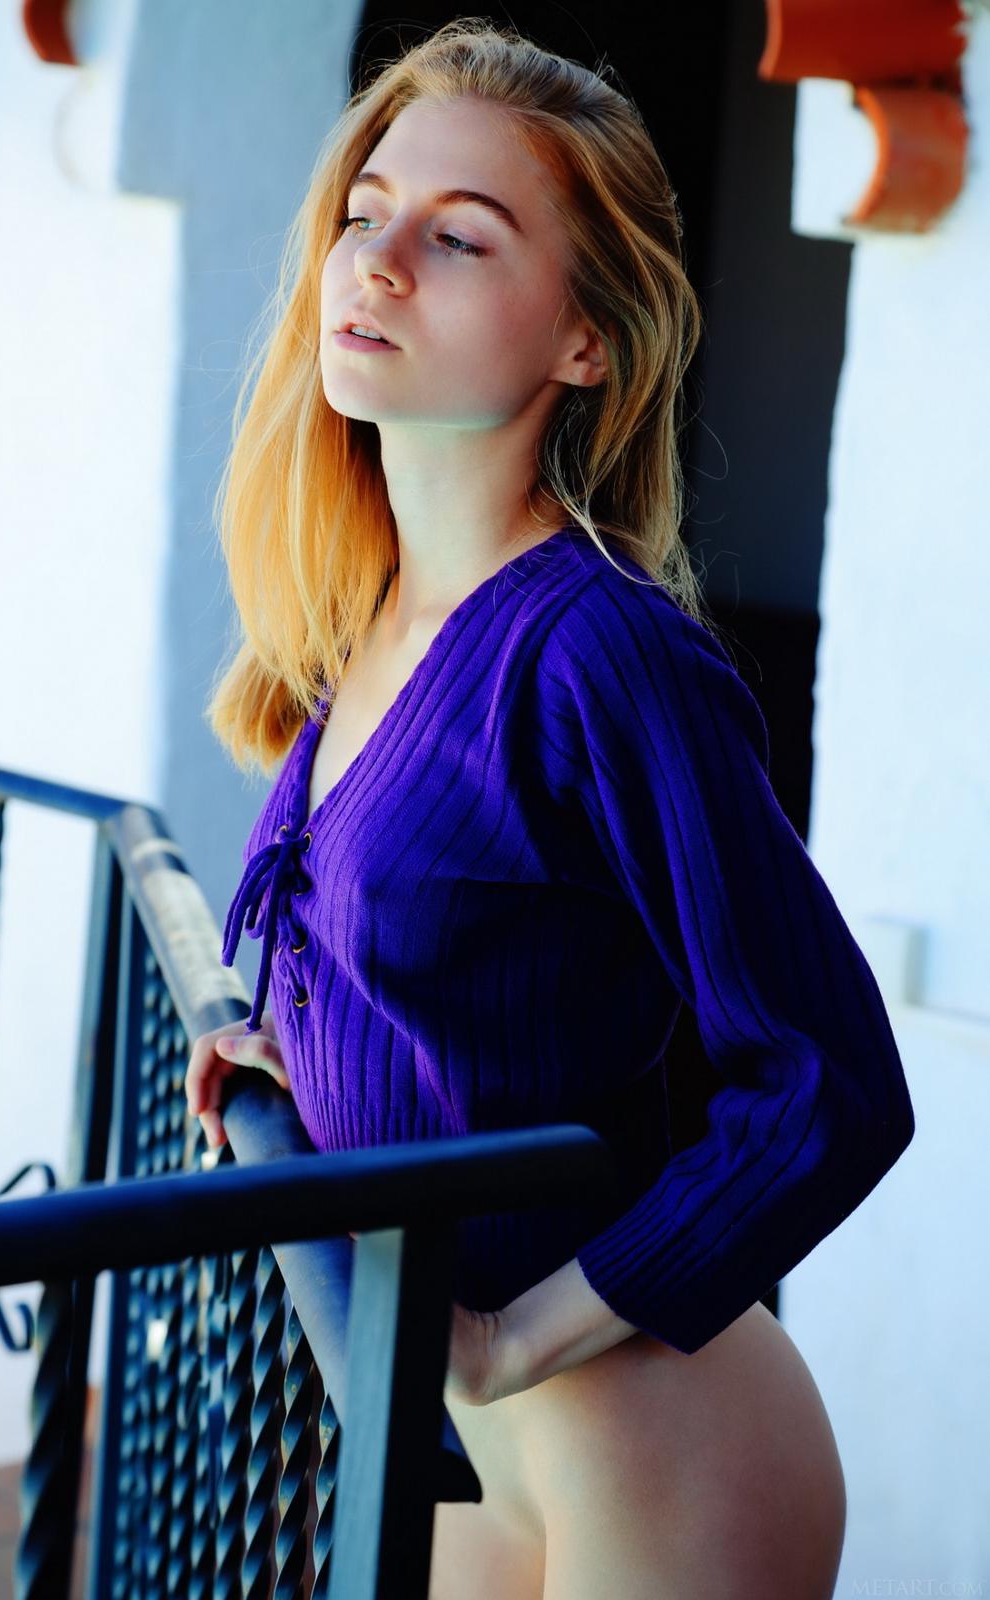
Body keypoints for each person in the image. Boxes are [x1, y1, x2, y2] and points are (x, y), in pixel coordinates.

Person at [185, 19, 915, 1598]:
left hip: (655, 1445)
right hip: (472, 1447)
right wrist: (299, 1055)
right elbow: (470, 977)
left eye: (458, 238)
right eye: (366, 214)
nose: (377, 263)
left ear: (586, 340)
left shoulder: (602, 653)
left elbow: (832, 1083)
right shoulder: (372, 626)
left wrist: (514, 1336)